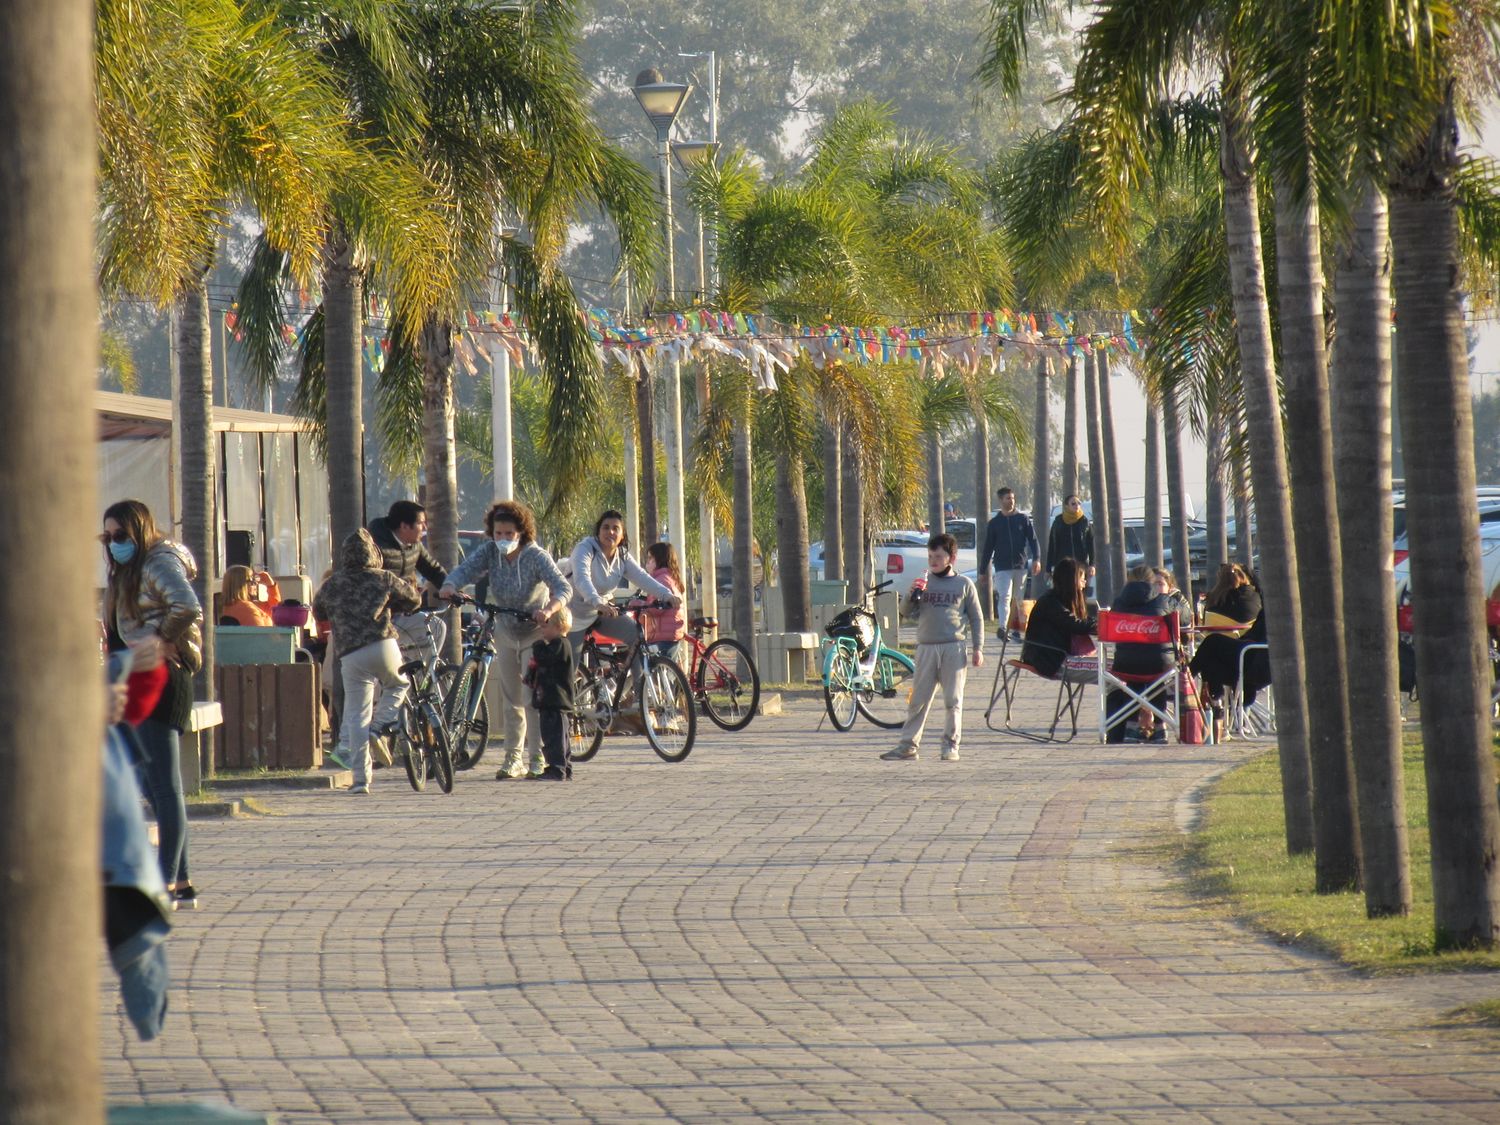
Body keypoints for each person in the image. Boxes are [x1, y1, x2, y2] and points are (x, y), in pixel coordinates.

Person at [102, 499, 204, 910]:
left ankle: (165, 885)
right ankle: (179, 880)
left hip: (162, 675)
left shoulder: (157, 562)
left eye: (120, 536)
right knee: (149, 780)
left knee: (163, 785)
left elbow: (188, 605)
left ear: (139, 531)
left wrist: (160, 639)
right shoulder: (128, 570)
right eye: (107, 537)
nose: (113, 544)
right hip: (136, 677)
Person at [440, 500, 570, 780]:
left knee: (531, 697)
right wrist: (450, 585)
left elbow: (563, 587)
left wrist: (548, 609)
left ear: (521, 532)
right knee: (512, 698)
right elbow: (465, 570)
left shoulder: (536, 556)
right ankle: (513, 758)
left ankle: (537, 757)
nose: (503, 539)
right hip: (505, 630)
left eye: (509, 534)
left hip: (534, 632)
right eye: (498, 533)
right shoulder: (489, 552)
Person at [311, 529, 421, 794]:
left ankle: (361, 780)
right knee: (398, 684)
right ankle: (380, 726)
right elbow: (414, 599)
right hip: (382, 645)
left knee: (357, 714)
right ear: (374, 553)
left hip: (350, 654)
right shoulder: (384, 578)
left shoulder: (332, 584)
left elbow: (318, 610)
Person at [880, 533, 985, 763]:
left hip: (953, 648)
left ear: (951, 558)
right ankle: (908, 746)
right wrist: (910, 595)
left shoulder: (964, 584)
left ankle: (950, 745)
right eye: (930, 556)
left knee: (952, 701)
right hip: (926, 648)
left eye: (938, 556)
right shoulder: (924, 581)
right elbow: (906, 612)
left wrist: (978, 648)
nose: (933, 561)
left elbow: (977, 618)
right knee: (918, 700)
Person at [567, 510, 678, 652]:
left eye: (615, 528)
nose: (610, 532)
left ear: (622, 535)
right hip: (575, 615)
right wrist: (598, 602)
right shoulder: (585, 548)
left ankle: (639, 675)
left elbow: (642, 577)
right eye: (606, 527)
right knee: (570, 668)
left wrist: (666, 594)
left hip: (603, 612)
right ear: (598, 531)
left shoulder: (622, 555)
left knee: (636, 635)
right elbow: (582, 579)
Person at [368, 499, 450, 660]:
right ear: (404, 526)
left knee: (436, 627)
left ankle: (419, 677)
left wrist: (451, 586)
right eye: (421, 523)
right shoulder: (375, 546)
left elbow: (433, 569)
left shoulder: (414, 545)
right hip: (376, 618)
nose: (425, 528)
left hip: (402, 614)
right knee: (384, 667)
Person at [1105, 565, 1178, 742]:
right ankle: (1160, 728)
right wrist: (1176, 596)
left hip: (1124, 664)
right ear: (1152, 581)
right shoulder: (1163, 601)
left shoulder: (1118, 603)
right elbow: (1183, 618)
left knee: (1135, 675)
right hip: (1160, 664)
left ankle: (1131, 726)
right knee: (1156, 678)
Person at [1188, 563, 1263, 738]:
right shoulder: (1255, 598)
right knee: (1211, 660)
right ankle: (1219, 713)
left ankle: (1191, 680)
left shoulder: (1214, 599)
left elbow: (1204, 627)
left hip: (1247, 657)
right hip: (1248, 657)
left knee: (1211, 644)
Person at [1020, 557, 1097, 680]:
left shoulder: (1058, 600)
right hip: (1050, 661)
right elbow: (1075, 625)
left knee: (1112, 669)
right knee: (1111, 672)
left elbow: (1079, 620)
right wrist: (1100, 625)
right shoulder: (1050, 602)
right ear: (1071, 581)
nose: (1084, 584)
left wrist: (1095, 622)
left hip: (1054, 658)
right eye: (1082, 579)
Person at [979, 487, 1041, 641]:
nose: (1011, 501)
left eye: (1012, 498)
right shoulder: (995, 523)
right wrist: (982, 570)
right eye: (1007, 498)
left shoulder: (1023, 519)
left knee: (1018, 599)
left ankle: (1016, 631)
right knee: (1004, 596)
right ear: (1001, 500)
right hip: (1002, 566)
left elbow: (1033, 540)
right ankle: (1002, 627)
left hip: (1020, 565)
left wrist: (1037, 559)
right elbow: (988, 548)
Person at [523, 605, 575, 781]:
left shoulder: (560, 644)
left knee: (555, 737)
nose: (541, 631)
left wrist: (537, 645)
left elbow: (545, 658)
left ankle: (557, 767)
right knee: (554, 735)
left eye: (545, 627)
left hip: (556, 700)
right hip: (549, 700)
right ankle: (563, 766)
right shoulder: (556, 644)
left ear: (559, 627)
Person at [636, 542, 688, 662]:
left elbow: (656, 608)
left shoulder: (660, 580)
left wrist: (639, 605)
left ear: (659, 559)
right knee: (667, 672)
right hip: (670, 632)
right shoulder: (669, 577)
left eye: (650, 558)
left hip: (662, 634)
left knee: (654, 670)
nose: (647, 562)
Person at [1046, 495, 1095, 584]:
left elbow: (1091, 545)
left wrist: (1092, 564)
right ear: (1066, 506)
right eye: (1073, 504)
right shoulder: (1058, 522)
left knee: (1080, 593)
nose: (1077, 506)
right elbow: (1052, 546)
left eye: (1078, 503)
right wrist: (1048, 568)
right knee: (1063, 592)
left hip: (1081, 565)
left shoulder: (1084, 522)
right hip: (1062, 565)